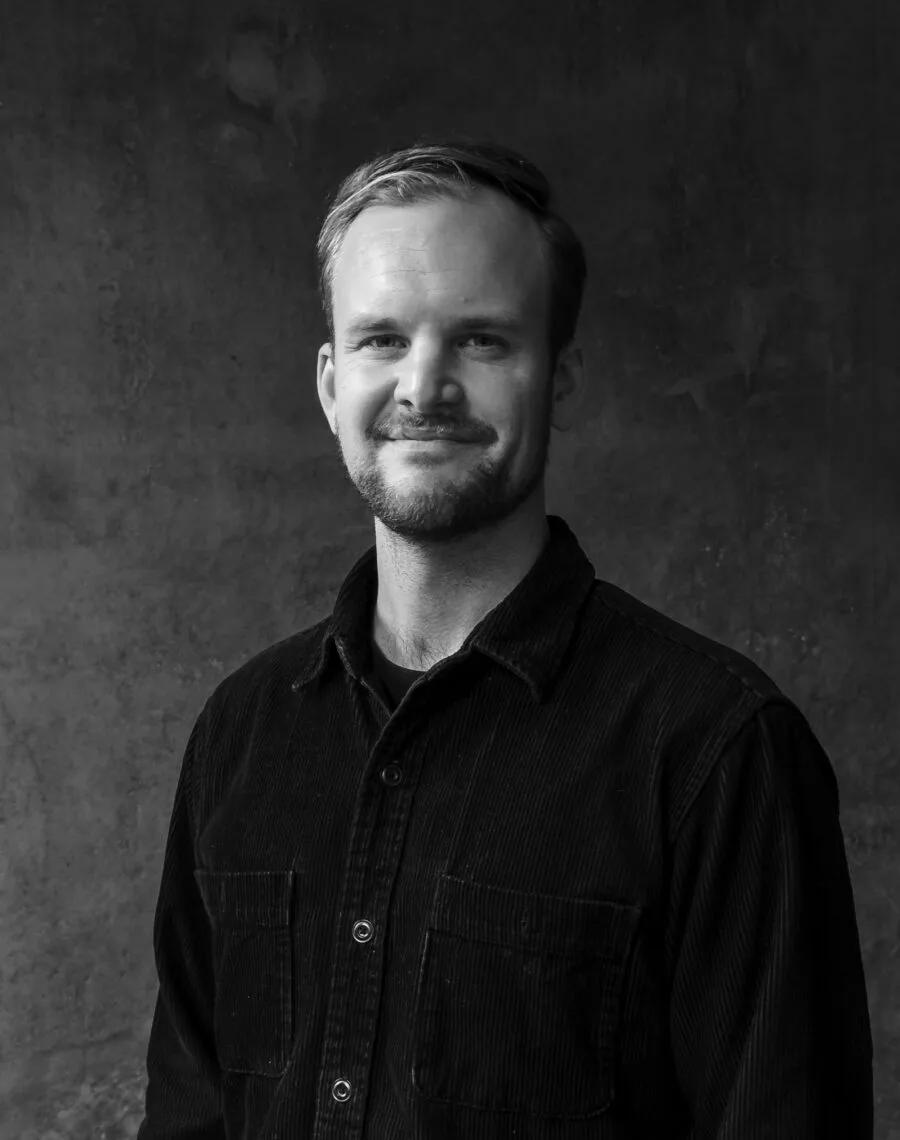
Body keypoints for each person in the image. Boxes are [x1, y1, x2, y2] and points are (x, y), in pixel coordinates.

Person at [137, 139, 874, 1139]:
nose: (424, 386)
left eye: (481, 340)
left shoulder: (717, 751)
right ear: (330, 382)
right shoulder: (241, 733)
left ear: (559, 379)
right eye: (381, 339)